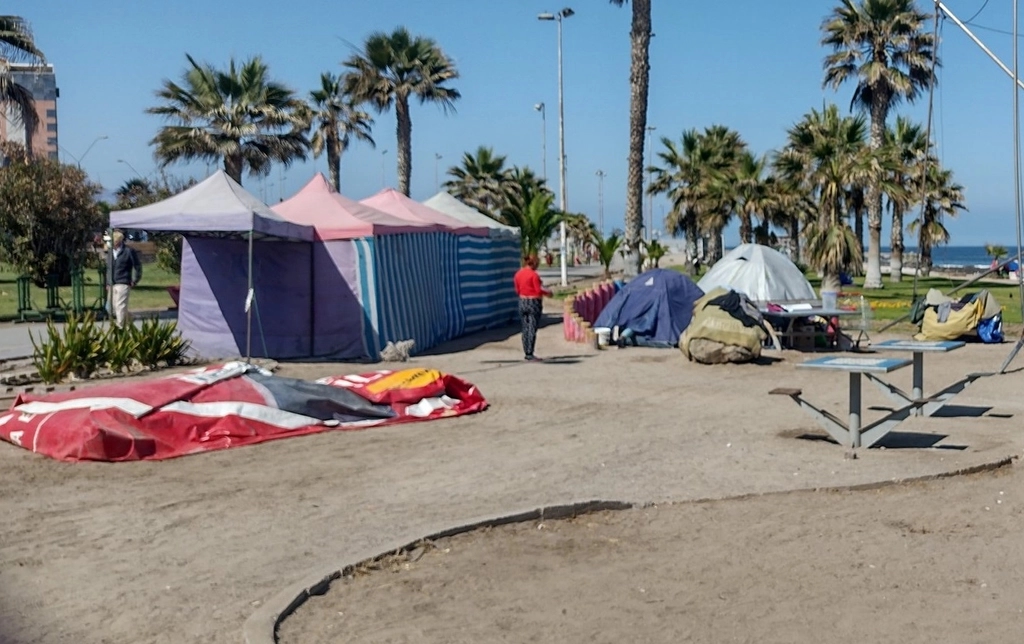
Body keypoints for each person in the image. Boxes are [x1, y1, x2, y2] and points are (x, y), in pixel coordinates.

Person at [513, 253, 552, 361]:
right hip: (533, 302)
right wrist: (548, 293)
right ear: (534, 263)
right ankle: (530, 353)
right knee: (532, 328)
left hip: (522, 301)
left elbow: (517, 290)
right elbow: (538, 290)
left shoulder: (518, 274)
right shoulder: (534, 275)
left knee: (525, 328)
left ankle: (526, 351)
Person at [109, 230, 142, 326]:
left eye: (114, 240)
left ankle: (120, 326)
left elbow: (137, 266)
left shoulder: (128, 251)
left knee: (120, 306)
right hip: (112, 282)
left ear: (119, 241)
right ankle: (130, 318)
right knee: (113, 307)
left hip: (123, 282)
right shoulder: (111, 252)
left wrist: (135, 280)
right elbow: (109, 268)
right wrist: (108, 282)